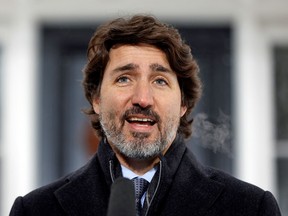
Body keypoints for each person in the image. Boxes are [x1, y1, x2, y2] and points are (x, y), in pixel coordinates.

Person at [10, 14, 281, 216]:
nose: (142, 99)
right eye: (125, 78)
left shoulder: (250, 208)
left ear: (184, 103)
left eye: (160, 81)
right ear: (97, 99)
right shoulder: (34, 210)